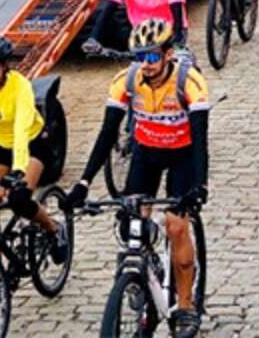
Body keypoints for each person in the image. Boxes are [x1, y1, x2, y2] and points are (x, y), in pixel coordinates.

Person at [65, 19, 210, 338]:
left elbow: (200, 140)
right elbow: (106, 135)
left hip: (182, 156)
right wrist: (83, 183)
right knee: (131, 222)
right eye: (139, 56)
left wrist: (200, 185)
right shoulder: (126, 80)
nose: (145, 64)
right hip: (146, 154)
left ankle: (185, 304)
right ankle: (142, 272)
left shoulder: (190, 82)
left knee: (175, 225)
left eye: (152, 56)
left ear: (168, 54)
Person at [0, 33, 69, 269]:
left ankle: (53, 228)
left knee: (19, 198)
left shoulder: (20, 87)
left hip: (33, 142)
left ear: (4, 66)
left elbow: (22, 129)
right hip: (0, 144)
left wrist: (16, 172)